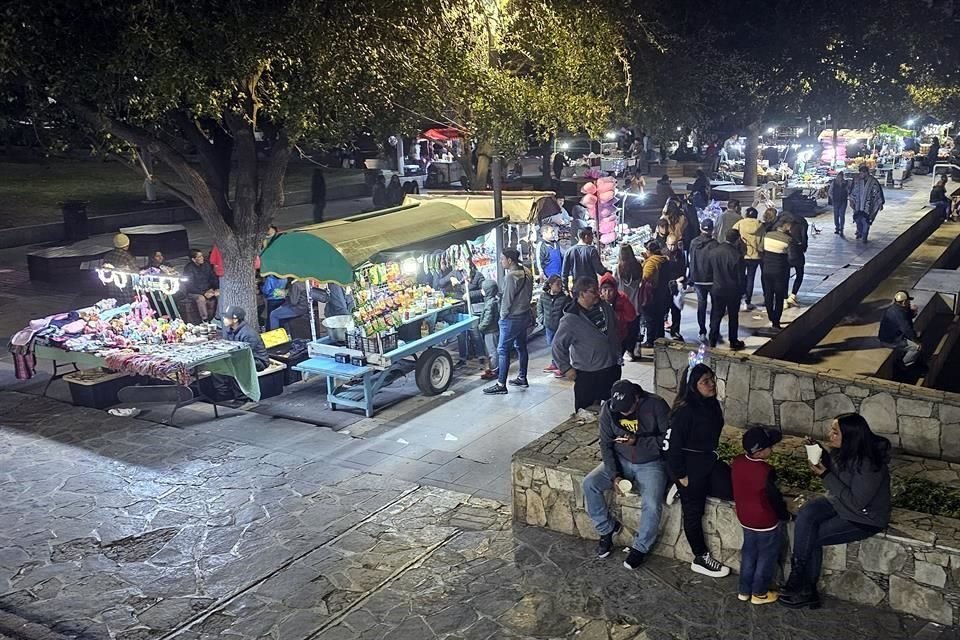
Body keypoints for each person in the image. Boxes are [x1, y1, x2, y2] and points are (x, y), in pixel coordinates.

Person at [780, 414, 891, 609]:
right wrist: (819, 452)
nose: (830, 435)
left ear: (850, 436)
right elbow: (838, 476)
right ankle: (800, 580)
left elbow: (856, 502)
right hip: (838, 503)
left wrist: (825, 474)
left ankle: (803, 587)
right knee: (806, 513)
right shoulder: (844, 452)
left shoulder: (870, 465)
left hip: (863, 518)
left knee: (811, 538)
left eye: (835, 432)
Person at [582, 380, 669, 568]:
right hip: (621, 458)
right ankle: (606, 528)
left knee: (652, 503)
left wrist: (638, 441)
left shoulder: (656, 405)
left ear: (637, 398)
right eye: (619, 409)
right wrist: (615, 475)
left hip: (650, 463)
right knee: (589, 484)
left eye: (627, 409)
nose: (623, 413)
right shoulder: (608, 408)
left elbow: (668, 440)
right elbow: (605, 444)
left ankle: (641, 547)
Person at [663, 364, 733, 578]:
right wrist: (680, 476)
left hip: (707, 462)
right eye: (705, 382)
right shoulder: (684, 411)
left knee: (731, 489)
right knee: (693, 511)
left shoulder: (711, 405)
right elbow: (670, 446)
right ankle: (700, 557)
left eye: (712, 379)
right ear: (693, 386)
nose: (711, 385)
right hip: (689, 469)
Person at [731, 427, 790, 605]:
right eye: (770, 447)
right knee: (766, 556)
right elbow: (774, 498)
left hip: (745, 517)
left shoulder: (737, 462)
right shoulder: (766, 471)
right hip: (765, 521)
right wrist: (785, 515)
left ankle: (744, 590)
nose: (772, 449)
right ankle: (760, 593)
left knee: (749, 552)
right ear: (759, 452)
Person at [552, 277, 622, 417]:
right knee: (585, 414)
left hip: (611, 368)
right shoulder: (570, 320)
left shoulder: (605, 307)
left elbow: (614, 328)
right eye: (593, 291)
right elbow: (558, 346)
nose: (598, 293)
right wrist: (566, 368)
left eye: (597, 290)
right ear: (582, 294)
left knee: (613, 410)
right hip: (588, 375)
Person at [484, 248, 533, 395]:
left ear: (509, 260)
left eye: (502, 259)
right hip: (525, 314)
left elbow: (507, 300)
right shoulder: (527, 271)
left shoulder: (511, 277)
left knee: (502, 350)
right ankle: (522, 377)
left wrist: (502, 317)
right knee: (521, 346)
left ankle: (500, 384)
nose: (501, 261)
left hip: (512, 318)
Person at [211, 305, 270, 401]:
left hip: (257, 361)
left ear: (235, 320)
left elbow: (246, 355)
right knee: (217, 368)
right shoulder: (229, 329)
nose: (224, 319)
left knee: (236, 367)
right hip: (238, 357)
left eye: (226, 317)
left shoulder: (248, 334)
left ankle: (242, 398)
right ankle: (224, 395)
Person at [707, 229, 746, 350]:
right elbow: (741, 277)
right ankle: (733, 341)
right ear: (737, 239)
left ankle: (712, 339)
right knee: (733, 317)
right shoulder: (737, 255)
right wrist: (743, 292)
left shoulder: (714, 252)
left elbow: (709, 271)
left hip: (717, 289)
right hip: (733, 291)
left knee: (716, 315)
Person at [687, 218, 717, 342]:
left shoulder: (693, 243)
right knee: (715, 306)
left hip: (698, 279)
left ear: (700, 228)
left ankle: (702, 331)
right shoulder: (715, 244)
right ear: (712, 230)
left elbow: (690, 260)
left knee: (701, 306)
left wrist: (691, 278)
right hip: (712, 280)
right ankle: (713, 330)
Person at [760, 220, 792, 330]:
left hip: (766, 269)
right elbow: (791, 257)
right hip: (780, 271)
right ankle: (776, 321)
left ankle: (770, 316)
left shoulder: (767, 235)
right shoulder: (788, 239)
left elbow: (760, 248)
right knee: (778, 296)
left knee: (768, 295)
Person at [878, 290, 922, 370]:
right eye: (908, 301)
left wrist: (912, 312)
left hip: (892, 335)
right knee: (917, 347)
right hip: (890, 340)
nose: (910, 303)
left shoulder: (896, 308)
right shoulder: (898, 313)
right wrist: (916, 341)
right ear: (904, 302)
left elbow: (904, 319)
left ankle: (904, 357)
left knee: (917, 335)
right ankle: (904, 365)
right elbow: (906, 329)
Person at [599, 273, 639, 361]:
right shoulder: (596, 301)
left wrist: (616, 315)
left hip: (620, 335)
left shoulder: (622, 298)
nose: (607, 293)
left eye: (610, 290)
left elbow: (631, 316)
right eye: (604, 290)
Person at [639, 241, 670, 346]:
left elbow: (645, 277)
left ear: (649, 251)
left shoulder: (651, 263)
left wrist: (644, 263)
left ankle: (650, 341)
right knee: (660, 318)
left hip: (652, 294)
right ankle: (660, 339)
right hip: (663, 293)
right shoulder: (664, 260)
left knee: (650, 318)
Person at [539, 276, 571, 376]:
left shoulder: (564, 298)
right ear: (550, 285)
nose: (560, 286)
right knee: (551, 345)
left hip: (560, 326)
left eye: (561, 284)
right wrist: (542, 320)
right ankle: (555, 363)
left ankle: (563, 366)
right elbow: (540, 309)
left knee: (561, 346)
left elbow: (568, 311)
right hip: (549, 326)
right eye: (557, 284)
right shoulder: (544, 296)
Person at [733, 208, 763, 310]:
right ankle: (747, 301)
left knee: (740, 276)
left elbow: (733, 234)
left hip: (742, 254)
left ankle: (740, 297)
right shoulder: (760, 225)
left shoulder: (740, 223)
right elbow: (763, 241)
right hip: (755, 256)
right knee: (751, 278)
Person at [778, 210, 809, 308]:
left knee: (785, 277)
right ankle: (793, 295)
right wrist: (803, 248)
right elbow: (804, 240)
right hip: (797, 254)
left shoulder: (781, 223)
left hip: (785, 254)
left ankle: (784, 298)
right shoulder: (802, 223)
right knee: (799, 274)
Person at [615, 244, 644, 348]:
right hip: (636, 300)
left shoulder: (618, 268)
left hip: (624, 301)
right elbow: (641, 280)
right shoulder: (638, 266)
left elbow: (616, 283)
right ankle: (633, 348)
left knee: (624, 326)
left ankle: (626, 348)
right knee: (635, 326)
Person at [849, 165, 884, 243]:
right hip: (858, 206)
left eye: (861, 173)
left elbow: (878, 193)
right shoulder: (857, 181)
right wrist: (851, 200)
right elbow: (853, 191)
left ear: (866, 173)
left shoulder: (873, 181)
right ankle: (860, 232)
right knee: (858, 220)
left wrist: (880, 203)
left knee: (866, 221)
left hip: (868, 206)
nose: (860, 175)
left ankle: (864, 236)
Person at [183, 249, 220, 322]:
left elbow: (213, 277)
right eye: (199, 257)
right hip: (194, 292)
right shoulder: (188, 269)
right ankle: (205, 319)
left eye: (202, 256)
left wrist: (214, 288)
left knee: (219, 294)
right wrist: (204, 293)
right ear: (194, 259)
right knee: (201, 299)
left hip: (207, 290)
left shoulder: (206, 265)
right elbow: (190, 286)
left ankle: (217, 317)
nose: (202, 258)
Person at [663, 235, 687, 341]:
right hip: (665, 286)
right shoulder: (663, 254)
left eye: (674, 245)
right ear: (666, 244)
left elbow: (683, 268)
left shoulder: (680, 254)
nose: (672, 247)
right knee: (663, 309)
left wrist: (682, 279)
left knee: (676, 310)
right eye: (670, 245)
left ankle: (675, 331)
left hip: (676, 285)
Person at [477, 280, 501, 381]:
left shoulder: (490, 304)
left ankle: (494, 370)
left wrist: (480, 327)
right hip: (493, 330)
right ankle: (493, 368)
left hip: (490, 331)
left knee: (492, 352)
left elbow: (488, 319)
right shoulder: (494, 301)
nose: (482, 291)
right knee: (493, 350)